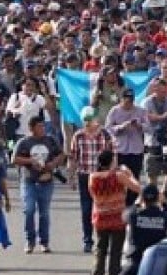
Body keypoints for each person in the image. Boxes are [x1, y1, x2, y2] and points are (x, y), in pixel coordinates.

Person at [88, 149, 140, 275]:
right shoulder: (119, 176)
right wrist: (129, 174)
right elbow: (137, 188)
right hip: (117, 218)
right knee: (115, 251)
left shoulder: (93, 177)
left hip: (100, 217)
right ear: (111, 161)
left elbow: (93, 195)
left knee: (100, 249)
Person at [13, 116, 65, 254]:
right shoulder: (24, 142)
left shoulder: (50, 140)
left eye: (43, 126)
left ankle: (44, 242)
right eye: (39, 126)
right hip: (29, 181)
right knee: (29, 210)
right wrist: (30, 161)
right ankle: (30, 241)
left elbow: (61, 154)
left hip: (46, 181)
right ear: (31, 128)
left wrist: (53, 163)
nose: (42, 128)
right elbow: (14, 159)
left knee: (44, 213)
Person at [113, 184, 167, 275]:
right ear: (157, 198)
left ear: (142, 198)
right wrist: (165, 204)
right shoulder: (164, 217)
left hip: (134, 263)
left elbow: (125, 215)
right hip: (155, 265)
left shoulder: (134, 215)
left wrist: (137, 203)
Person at [70, 107, 113, 254]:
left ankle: (104, 240)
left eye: (90, 119)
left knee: (103, 209)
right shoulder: (78, 136)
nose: (88, 123)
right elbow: (73, 157)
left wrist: (112, 173)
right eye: (85, 120)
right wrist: (71, 176)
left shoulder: (105, 135)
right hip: (85, 175)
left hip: (102, 175)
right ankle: (88, 240)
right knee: (87, 209)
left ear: (96, 119)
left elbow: (113, 155)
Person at [105, 89, 149, 203]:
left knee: (134, 177)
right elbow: (108, 129)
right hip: (120, 149)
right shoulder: (114, 111)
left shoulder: (141, 111)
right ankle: (120, 201)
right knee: (120, 176)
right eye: (126, 100)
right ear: (122, 99)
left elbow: (148, 127)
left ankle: (133, 202)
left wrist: (139, 125)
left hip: (136, 150)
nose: (129, 103)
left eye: (131, 100)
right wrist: (121, 127)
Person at [141, 81, 167, 200]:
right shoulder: (146, 102)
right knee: (152, 171)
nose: (164, 94)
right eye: (161, 91)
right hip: (153, 142)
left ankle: (165, 190)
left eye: (165, 91)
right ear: (155, 90)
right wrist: (162, 117)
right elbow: (147, 116)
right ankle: (154, 194)